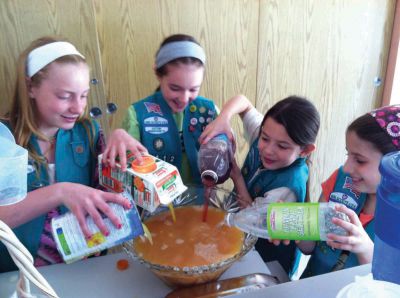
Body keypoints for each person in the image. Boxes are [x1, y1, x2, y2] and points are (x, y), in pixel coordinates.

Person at [0, 36, 146, 272]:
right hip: (19, 274)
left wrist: (119, 138)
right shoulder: (4, 138)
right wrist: (60, 191)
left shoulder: (87, 132)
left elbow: (112, 191)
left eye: (84, 95)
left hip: (83, 266)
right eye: (65, 96)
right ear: (30, 87)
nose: (78, 108)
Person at [199, 94, 320, 277]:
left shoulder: (287, 188)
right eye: (265, 138)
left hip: (268, 261)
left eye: (282, 146)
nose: (268, 149)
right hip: (244, 238)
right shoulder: (266, 133)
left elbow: (252, 216)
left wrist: (237, 177)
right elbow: (243, 102)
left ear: (305, 150)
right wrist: (223, 119)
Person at [299, 105, 400, 278]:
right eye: (348, 155)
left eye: (360, 160)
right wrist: (295, 226)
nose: (346, 168)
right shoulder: (340, 179)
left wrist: (365, 249)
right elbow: (308, 247)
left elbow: (389, 284)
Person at [120, 34, 219, 185]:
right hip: (157, 205)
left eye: (193, 89)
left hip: (202, 203)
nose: (184, 98)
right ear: (158, 74)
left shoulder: (209, 111)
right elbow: (126, 170)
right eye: (175, 88)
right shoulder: (137, 114)